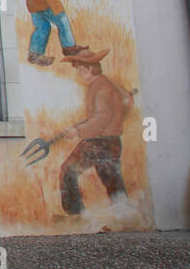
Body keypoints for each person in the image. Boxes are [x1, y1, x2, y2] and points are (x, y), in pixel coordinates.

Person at [53, 49, 133, 220]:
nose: (79, 73)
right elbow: (119, 107)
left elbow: (101, 118)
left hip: (99, 141)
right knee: (111, 176)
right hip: (111, 140)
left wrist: (78, 130)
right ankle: (124, 214)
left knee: (68, 170)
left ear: (90, 69)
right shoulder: (103, 84)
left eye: (80, 69)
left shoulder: (102, 89)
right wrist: (81, 126)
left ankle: (75, 214)